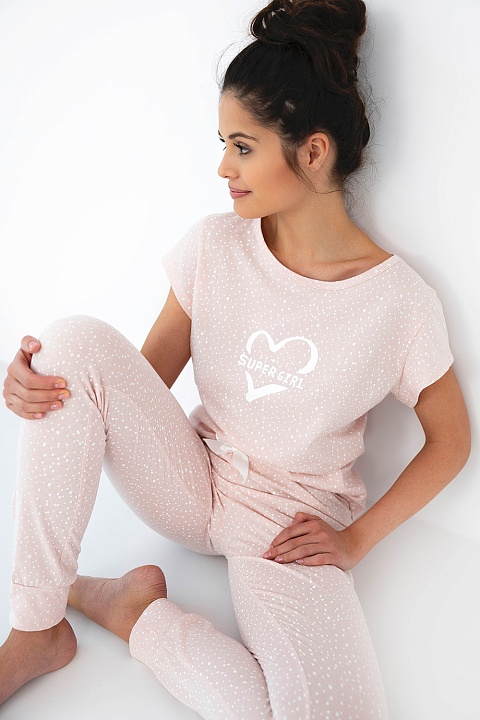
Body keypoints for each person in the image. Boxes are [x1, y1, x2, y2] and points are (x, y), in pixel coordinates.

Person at [0, 0, 471, 717]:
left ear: (312, 152)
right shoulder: (216, 246)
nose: (223, 167)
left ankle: (132, 612)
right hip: (190, 482)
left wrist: (355, 540)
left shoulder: (397, 304)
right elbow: (135, 381)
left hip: (286, 530)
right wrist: (44, 386)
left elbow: (452, 440)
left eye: (243, 147)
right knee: (69, 342)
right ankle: (35, 628)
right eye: (224, 143)